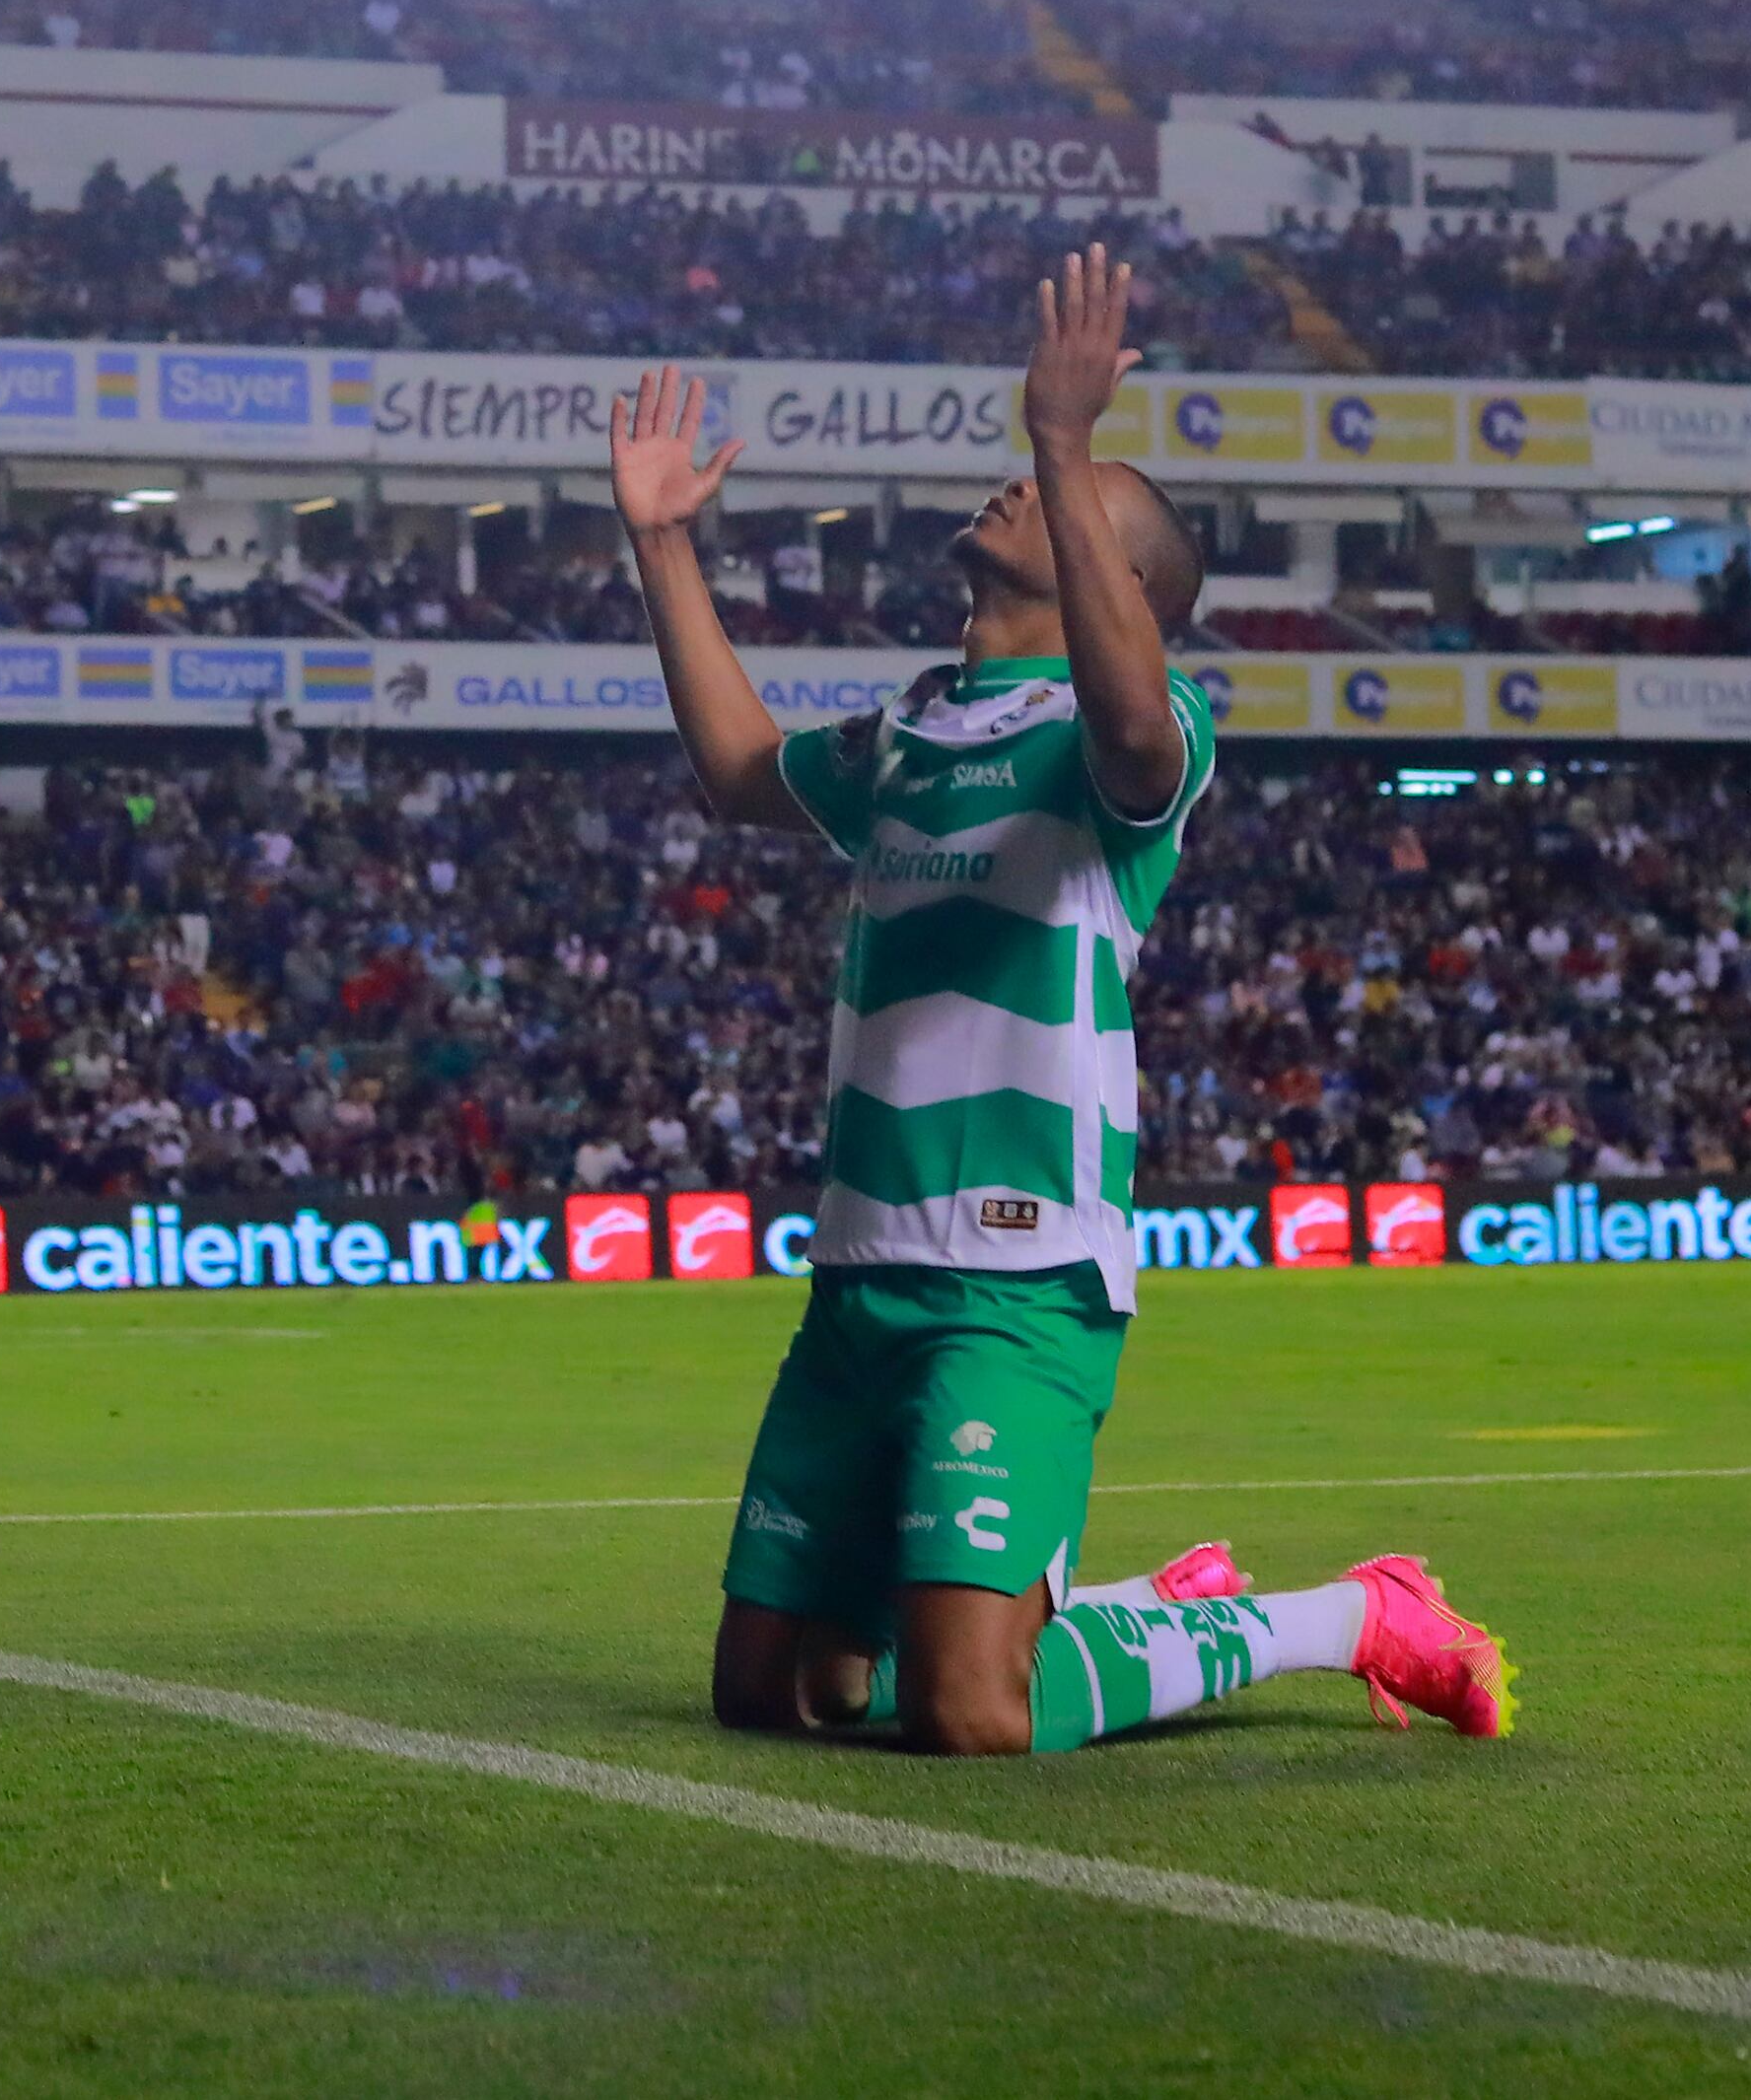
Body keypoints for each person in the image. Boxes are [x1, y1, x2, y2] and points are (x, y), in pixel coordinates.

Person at [614, 247, 1509, 1758]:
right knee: (774, 1696)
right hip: (857, 1275)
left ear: (1125, 576)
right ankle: (1096, 1602)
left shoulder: (1134, 753)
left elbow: (1133, 713)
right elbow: (739, 776)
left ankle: (1341, 1615)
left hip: (1017, 1280)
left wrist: (1067, 441)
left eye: (1070, 509)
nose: (1018, 497)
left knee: (971, 1711)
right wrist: (662, 547)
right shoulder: (911, 725)